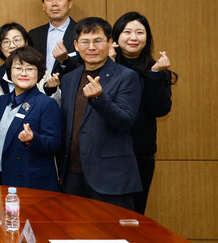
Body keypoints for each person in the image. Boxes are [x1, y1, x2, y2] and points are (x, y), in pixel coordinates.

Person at [59, 17, 142, 210]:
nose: (91, 47)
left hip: (110, 179)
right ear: (76, 46)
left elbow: (125, 122)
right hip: (73, 176)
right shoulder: (69, 78)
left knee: (111, 230)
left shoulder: (126, 77)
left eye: (98, 41)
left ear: (110, 42)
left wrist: (99, 98)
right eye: (85, 42)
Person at [112, 12, 177, 214]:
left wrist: (155, 75)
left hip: (140, 153)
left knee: (134, 214)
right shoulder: (104, 67)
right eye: (127, 32)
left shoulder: (156, 69)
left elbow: (159, 109)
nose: (133, 37)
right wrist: (107, 68)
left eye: (140, 32)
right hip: (106, 152)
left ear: (147, 38)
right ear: (116, 37)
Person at [0, 46, 61, 191]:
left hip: (29, 180)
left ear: (39, 73)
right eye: (18, 68)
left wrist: (33, 139)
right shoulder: (1, 101)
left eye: (30, 69)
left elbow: (54, 143)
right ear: (10, 72)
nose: (23, 73)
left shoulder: (46, 103)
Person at [0, 22, 61, 101]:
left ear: (26, 42)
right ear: (0, 47)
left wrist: (51, 89)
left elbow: (55, 103)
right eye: (6, 42)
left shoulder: (42, 73)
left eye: (16, 40)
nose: (12, 45)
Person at [29, 0, 82, 77]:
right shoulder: (33, 35)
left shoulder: (82, 33)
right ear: (43, 5)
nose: (54, 3)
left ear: (70, 3)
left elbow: (87, 68)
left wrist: (65, 60)